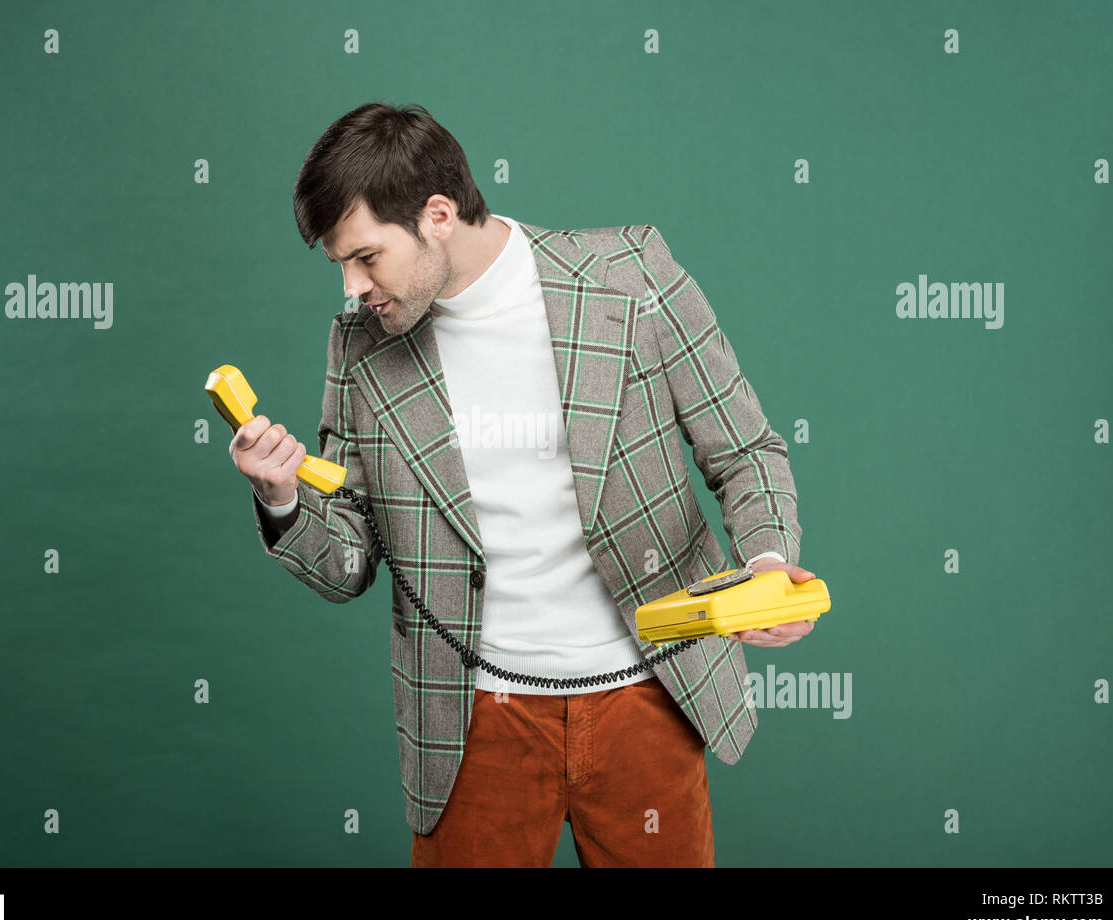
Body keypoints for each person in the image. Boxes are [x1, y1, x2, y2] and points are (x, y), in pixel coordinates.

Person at [227, 102, 815, 867]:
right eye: (341, 264)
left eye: (366, 257)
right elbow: (351, 566)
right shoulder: (362, 351)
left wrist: (768, 567)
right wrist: (282, 498)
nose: (352, 287)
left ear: (438, 215)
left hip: (648, 698)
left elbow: (745, 451)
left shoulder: (631, 279)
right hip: (473, 722)